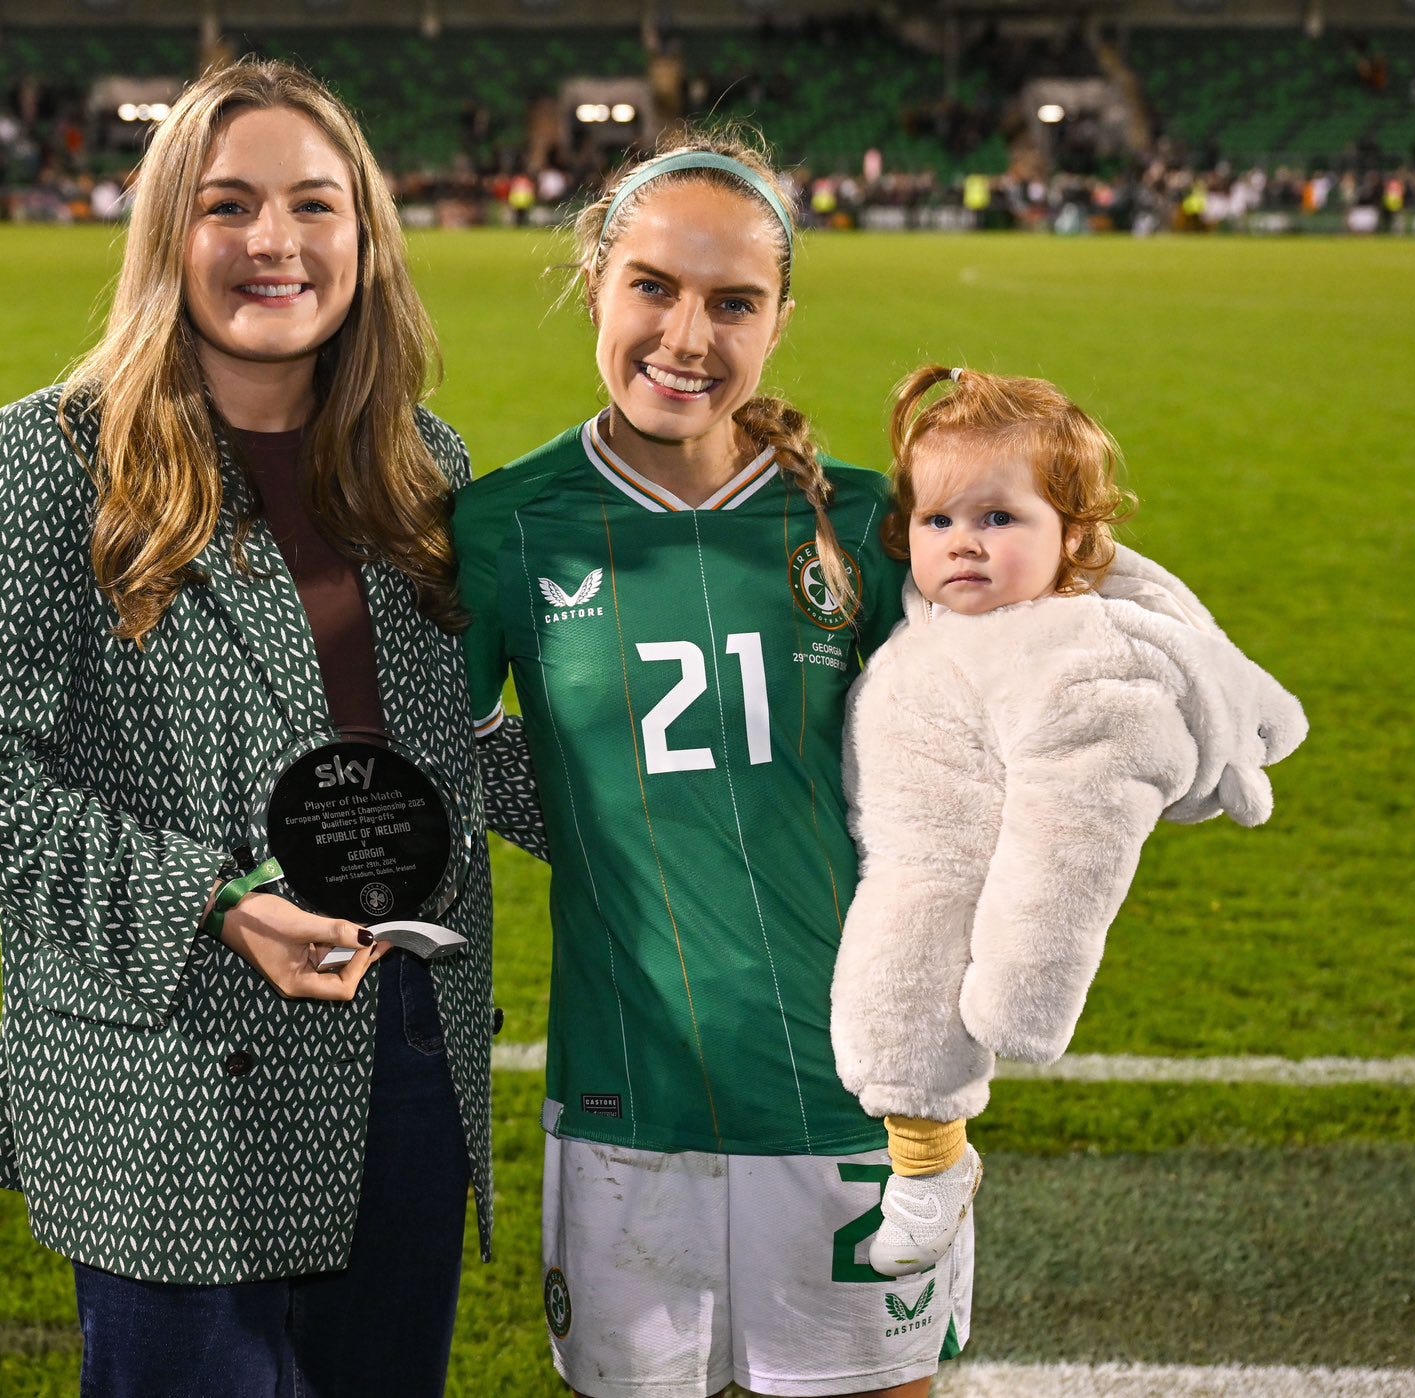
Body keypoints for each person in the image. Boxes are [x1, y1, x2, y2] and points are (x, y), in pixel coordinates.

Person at [0, 60, 492, 1397]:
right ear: (167, 231)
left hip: (399, 1030)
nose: (274, 241)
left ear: (366, 236)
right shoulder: (54, 458)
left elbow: (443, 752)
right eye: (228, 204)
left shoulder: (422, 465)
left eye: (313, 204)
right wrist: (218, 902)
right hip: (178, 1054)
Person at [457, 130, 954, 1398]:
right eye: (652, 288)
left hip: (853, 1097)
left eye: (732, 302)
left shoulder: (871, 525)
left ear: (779, 320)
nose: (686, 336)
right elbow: (414, 768)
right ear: (594, 283)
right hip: (628, 1107)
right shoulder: (505, 526)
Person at [831, 367, 1308, 1277]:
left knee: (899, 1019)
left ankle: (930, 1172)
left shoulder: (1070, 657)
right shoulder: (947, 611)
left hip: (961, 872)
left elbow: (1072, 846)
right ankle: (924, 1159)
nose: (963, 544)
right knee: (877, 1011)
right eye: (939, 521)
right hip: (902, 849)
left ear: (1074, 538)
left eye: (999, 519)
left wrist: (1020, 987)